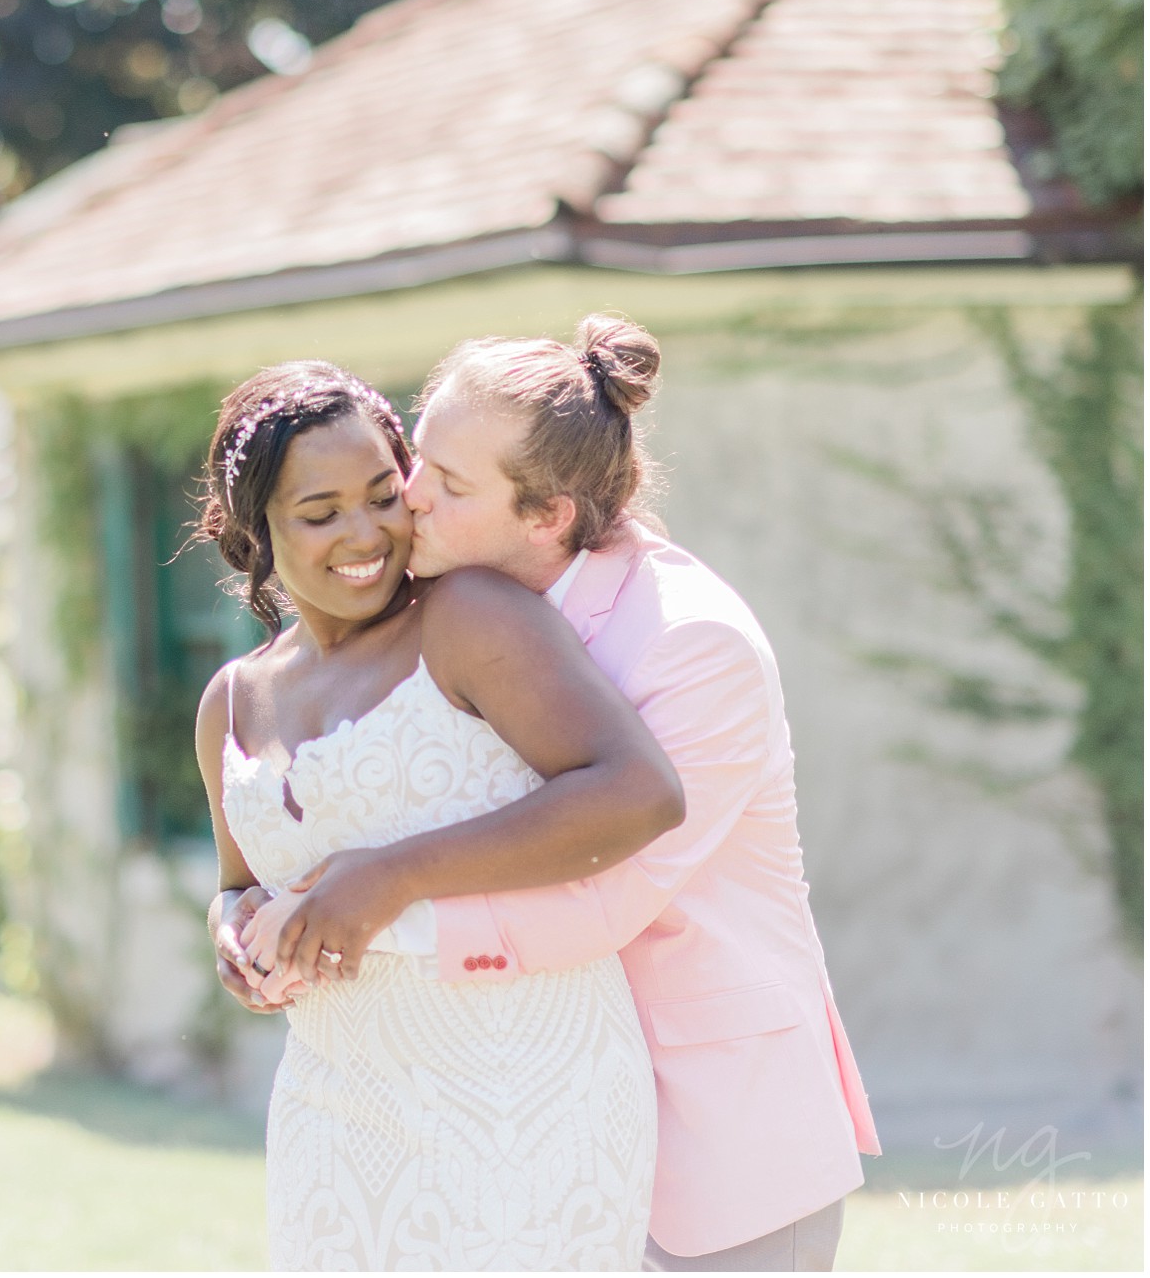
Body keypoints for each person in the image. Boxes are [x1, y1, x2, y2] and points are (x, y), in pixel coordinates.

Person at [224, 315, 881, 1271]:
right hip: (517, 1121)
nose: (408, 501)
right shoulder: (454, 619)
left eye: (445, 485)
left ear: (548, 517)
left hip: (712, 1121)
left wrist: (355, 911)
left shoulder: (695, 645)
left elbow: (601, 896)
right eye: (420, 459)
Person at [193, 359, 690, 1270]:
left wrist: (392, 873)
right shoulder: (232, 702)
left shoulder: (469, 618)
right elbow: (238, 886)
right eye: (320, 512)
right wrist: (232, 936)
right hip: (332, 1113)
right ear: (253, 530)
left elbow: (636, 790)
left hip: (524, 1104)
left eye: (386, 494)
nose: (366, 532)